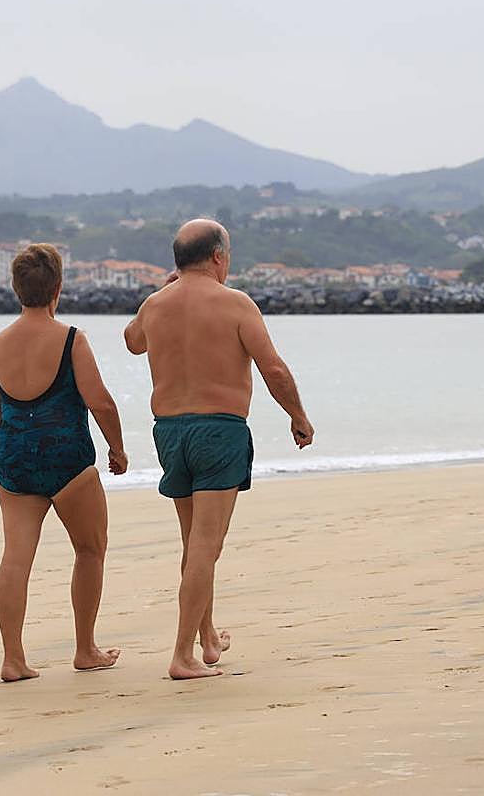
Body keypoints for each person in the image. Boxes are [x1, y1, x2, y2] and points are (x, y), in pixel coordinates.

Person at [124, 219, 314, 680]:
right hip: (218, 431)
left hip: (169, 433)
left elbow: (133, 342)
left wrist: (160, 292)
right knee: (207, 546)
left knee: (194, 545)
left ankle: (207, 636)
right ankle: (182, 655)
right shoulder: (235, 303)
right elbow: (274, 369)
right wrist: (299, 416)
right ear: (217, 257)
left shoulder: (154, 306)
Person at [0, 244, 128, 682]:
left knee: (16, 557)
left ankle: (13, 658)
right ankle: (85, 649)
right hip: (68, 460)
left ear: (15, 288)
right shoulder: (70, 339)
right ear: (58, 289)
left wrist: (18, 448)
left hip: (15, 461)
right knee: (89, 549)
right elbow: (99, 401)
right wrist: (117, 449)